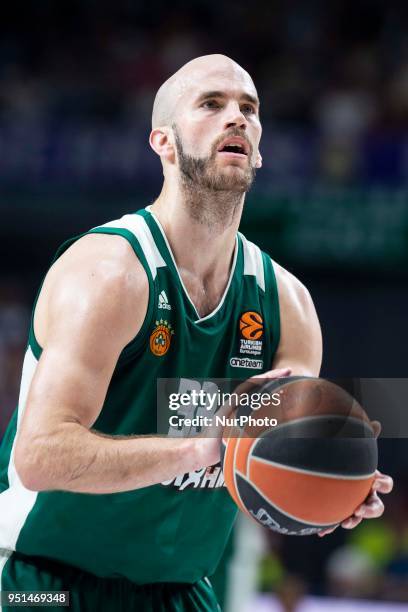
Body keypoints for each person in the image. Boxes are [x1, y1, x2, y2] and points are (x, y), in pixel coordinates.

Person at [0, 54, 393, 611]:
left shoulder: (288, 303)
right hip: (44, 579)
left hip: (180, 592)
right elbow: (38, 457)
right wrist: (205, 448)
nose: (236, 117)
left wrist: (330, 485)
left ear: (260, 147)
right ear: (162, 140)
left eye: (249, 110)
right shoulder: (109, 271)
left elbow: (281, 456)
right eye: (211, 104)